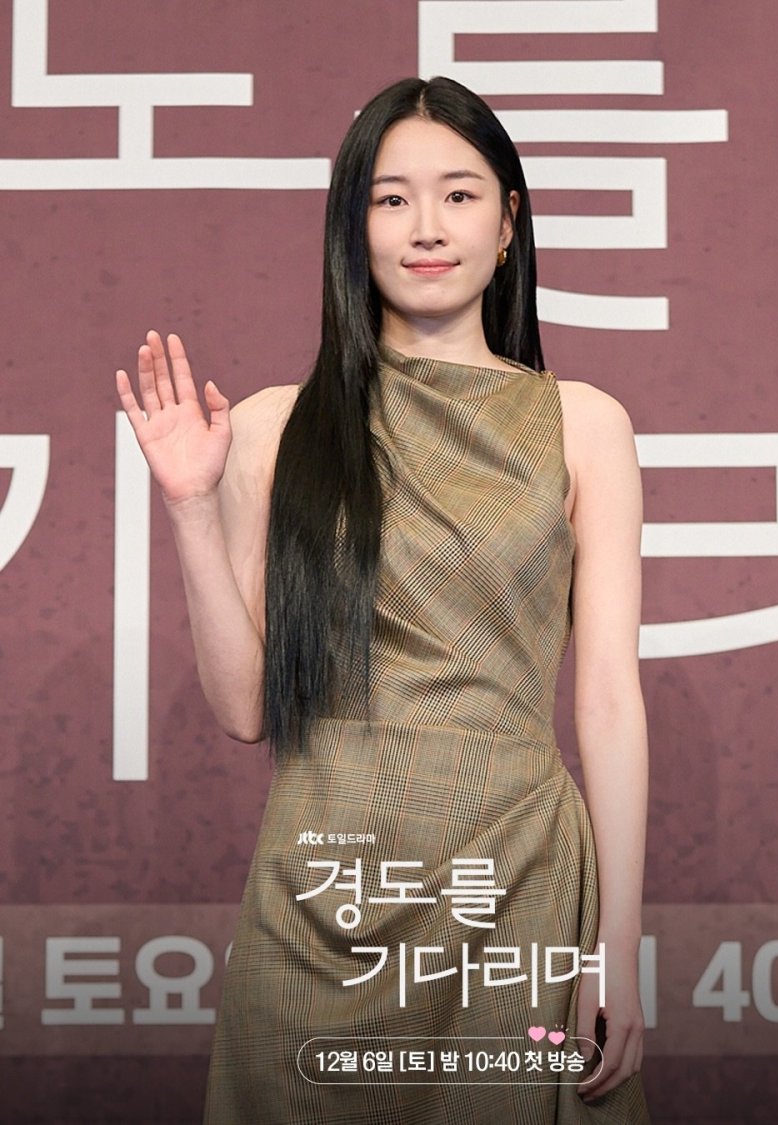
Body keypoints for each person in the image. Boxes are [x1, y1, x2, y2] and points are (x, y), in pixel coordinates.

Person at [116, 76, 650, 1124]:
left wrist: (618, 946)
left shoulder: (584, 425)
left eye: (459, 194)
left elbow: (608, 702)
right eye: (391, 198)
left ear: (509, 222)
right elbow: (246, 708)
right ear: (351, 228)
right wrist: (188, 506)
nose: (426, 226)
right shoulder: (273, 428)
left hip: (516, 881)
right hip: (323, 893)